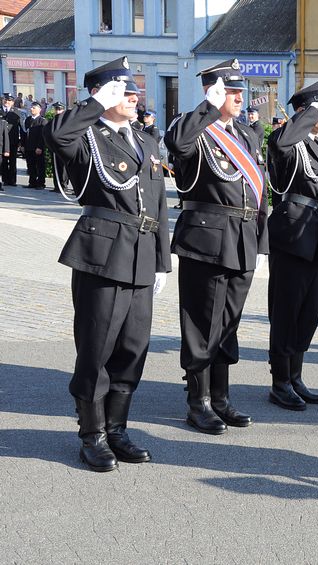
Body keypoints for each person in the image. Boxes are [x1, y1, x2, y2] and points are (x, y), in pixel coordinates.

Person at [44, 57, 171, 472]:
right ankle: (92, 434)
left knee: (133, 348)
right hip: (103, 255)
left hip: (142, 254)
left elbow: (159, 204)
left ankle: (117, 429)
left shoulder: (146, 140)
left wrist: (162, 261)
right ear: (102, 94)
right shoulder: (87, 136)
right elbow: (57, 135)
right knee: (96, 347)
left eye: (134, 91)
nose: (134, 97)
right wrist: (96, 103)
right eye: (124, 91)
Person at [164, 58, 267, 435]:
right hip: (206, 239)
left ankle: (221, 399)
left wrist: (262, 242)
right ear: (213, 92)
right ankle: (199, 402)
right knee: (201, 323)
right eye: (231, 91)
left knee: (227, 324)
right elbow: (176, 143)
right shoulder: (195, 128)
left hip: (242, 239)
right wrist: (208, 105)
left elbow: (259, 191)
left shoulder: (246, 135)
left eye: (241, 91)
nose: (240, 97)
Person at [265, 81, 318, 411]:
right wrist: (308, 116)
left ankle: (295, 377)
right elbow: (280, 143)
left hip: (316, 237)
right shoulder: (289, 141)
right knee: (286, 312)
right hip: (291, 236)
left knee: (308, 314)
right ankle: (280, 381)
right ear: (304, 113)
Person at [23, 101, 46, 188]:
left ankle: (41, 183)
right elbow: (24, 133)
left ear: (39, 110)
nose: (31, 109)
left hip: (37, 147)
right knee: (30, 165)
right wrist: (22, 145)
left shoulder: (42, 121)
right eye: (31, 107)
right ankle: (32, 182)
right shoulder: (28, 120)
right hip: (28, 146)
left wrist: (39, 147)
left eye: (33, 108)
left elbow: (42, 136)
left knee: (40, 166)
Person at [47, 102, 70, 193]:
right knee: (55, 166)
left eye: (59, 109)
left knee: (64, 168)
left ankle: (64, 186)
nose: (57, 111)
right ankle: (57, 186)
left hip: (63, 147)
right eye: (56, 109)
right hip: (54, 148)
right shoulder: (52, 121)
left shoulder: (66, 121)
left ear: (63, 110)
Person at [1, 94, 20, 188]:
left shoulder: (16, 111)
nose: (7, 102)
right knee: (3, 161)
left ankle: (12, 180)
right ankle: (5, 179)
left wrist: (21, 141)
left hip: (12, 140)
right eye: (5, 100)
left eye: (9, 100)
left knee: (12, 161)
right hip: (2, 141)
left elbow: (21, 126)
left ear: (12, 102)